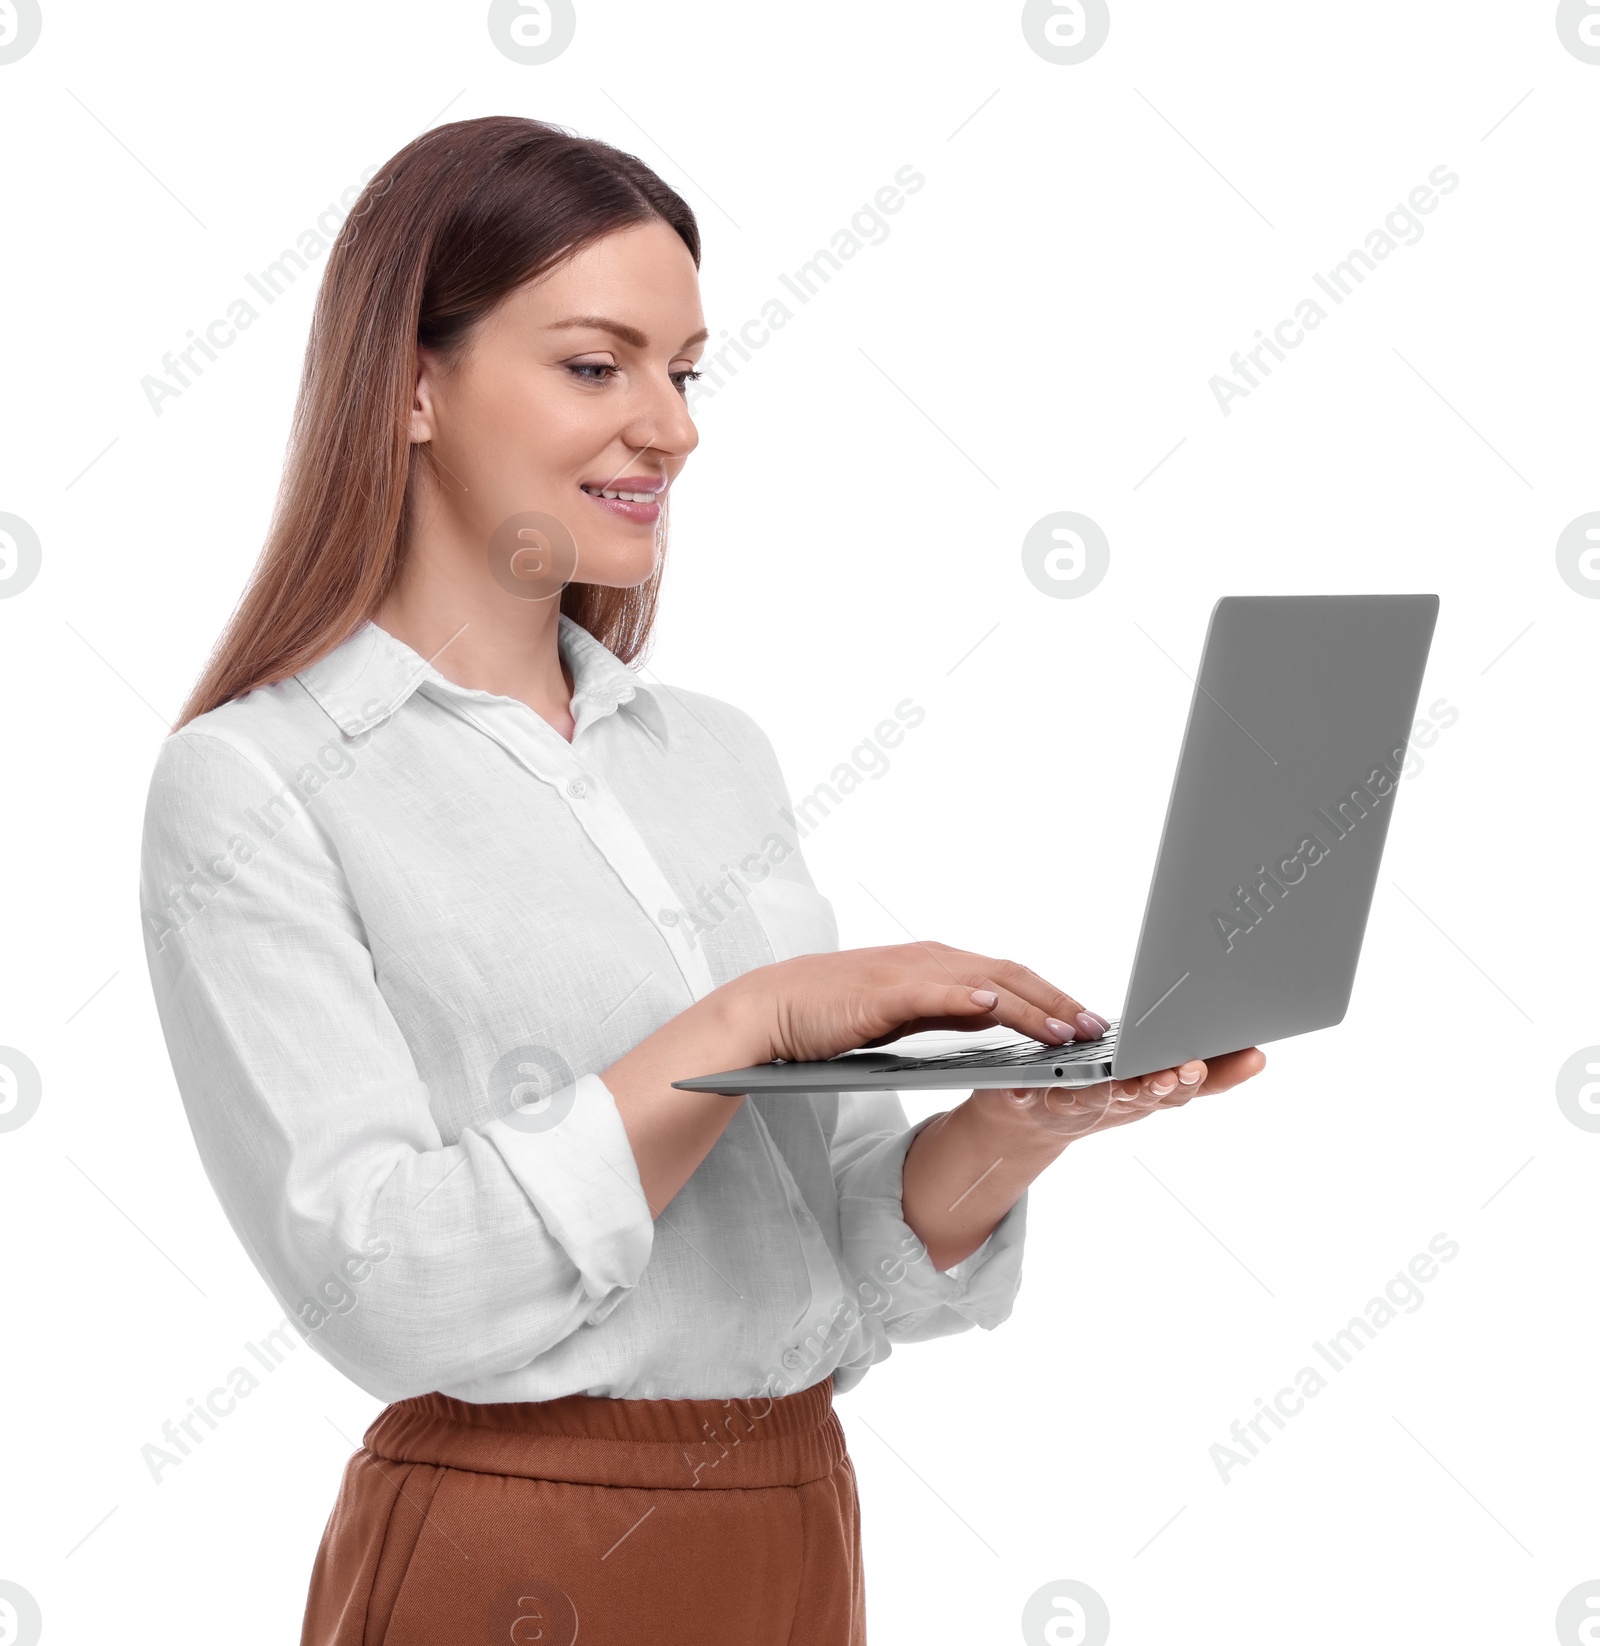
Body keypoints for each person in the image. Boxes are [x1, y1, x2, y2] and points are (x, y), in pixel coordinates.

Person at [138, 115, 1265, 1646]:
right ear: (411, 382)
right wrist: (754, 1019)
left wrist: (1019, 1125)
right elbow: (382, 1286)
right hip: (518, 1554)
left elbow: (847, 1262)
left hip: (796, 1522)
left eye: (685, 370)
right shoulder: (256, 782)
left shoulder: (710, 758)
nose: (670, 428)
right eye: (598, 364)